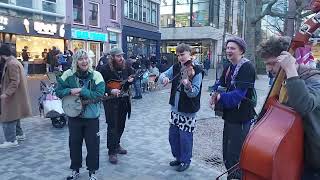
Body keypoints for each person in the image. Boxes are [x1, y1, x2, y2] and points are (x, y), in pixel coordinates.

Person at [257, 36, 320, 180]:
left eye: (272, 64)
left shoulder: (315, 79)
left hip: (314, 162)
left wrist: (291, 69)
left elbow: (304, 105)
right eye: (266, 64)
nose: (268, 69)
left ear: (288, 59)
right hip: (294, 154)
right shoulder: (282, 81)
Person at [209, 37, 256, 179]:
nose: (228, 50)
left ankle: (236, 177)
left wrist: (219, 97)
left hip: (241, 118)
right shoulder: (229, 66)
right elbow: (220, 84)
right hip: (230, 116)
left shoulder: (247, 67)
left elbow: (238, 95)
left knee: (235, 154)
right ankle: (232, 175)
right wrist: (214, 93)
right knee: (227, 153)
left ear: (241, 51)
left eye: (232, 48)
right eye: (227, 48)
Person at [55, 49, 105, 180]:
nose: (84, 61)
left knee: (93, 145)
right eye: (81, 59)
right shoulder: (68, 74)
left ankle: (92, 171)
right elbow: (58, 91)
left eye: (86, 58)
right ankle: (75, 169)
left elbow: (99, 95)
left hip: (91, 118)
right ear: (76, 61)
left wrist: (82, 91)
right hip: (74, 117)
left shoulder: (96, 75)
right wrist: (71, 90)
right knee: (74, 144)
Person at [159, 43, 204, 172]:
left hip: (188, 110)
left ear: (190, 54)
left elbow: (194, 92)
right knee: (173, 136)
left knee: (185, 138)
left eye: (183, 54)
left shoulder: (197, 70)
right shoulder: (176, 67)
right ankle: (178, 158)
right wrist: (165, 78)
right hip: (175, 108)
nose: (180, 57)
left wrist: (187, 86)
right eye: (178, 55)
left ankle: (185, 160)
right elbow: (162, 75)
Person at [99, 47, 134, 164]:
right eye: (119, 56)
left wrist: (130, 81)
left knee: (121, 125)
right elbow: (99, 84)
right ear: (112, 57)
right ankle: (112, 151)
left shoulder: (126, 67)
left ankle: (117, 144)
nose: (121, 58)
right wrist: (110, 90)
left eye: (122, 56)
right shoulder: (104, 69)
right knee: (112, 126)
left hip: (123, 100)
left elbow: (129, 79)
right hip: (110, 101)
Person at [0, 44, 32, 148]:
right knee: (15, 115)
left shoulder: (11, 64)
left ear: (2, 54)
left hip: (13, 96)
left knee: (7, 117)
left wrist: (6, 93)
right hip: (16, 95)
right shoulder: (14, 61)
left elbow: (14, 81)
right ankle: (19, 134)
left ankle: (11, 140)